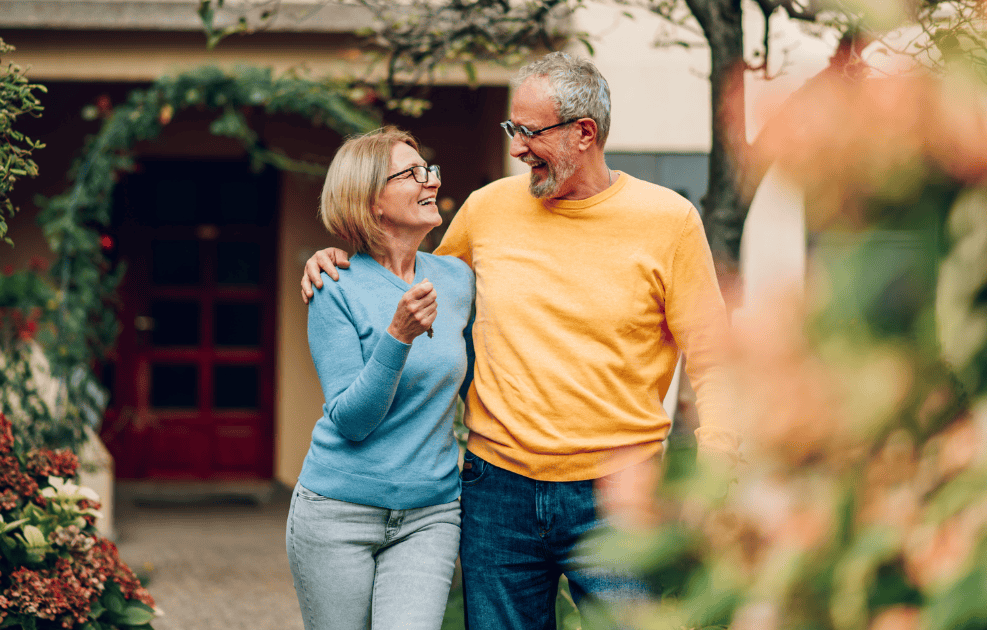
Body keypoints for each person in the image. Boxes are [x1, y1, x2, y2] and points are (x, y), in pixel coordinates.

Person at [300, 53, 739, 629]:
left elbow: (716, 362)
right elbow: (403, 272)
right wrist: (338, 259)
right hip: (496, 492)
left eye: (530, 133)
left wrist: (716, 478)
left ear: (584, 133)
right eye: (513, 130)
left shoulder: (669, 221)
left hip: (619, 496)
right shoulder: (488, 209)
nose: (516, 148)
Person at [286, 126, 475, 630]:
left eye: (429, 170)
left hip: (430, 513)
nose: (430, 182)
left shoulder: (457, 279)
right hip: (337, 512)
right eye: (413, 174)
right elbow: (351, 421)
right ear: (371, 202)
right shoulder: (334, 287)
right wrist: (398, 335)